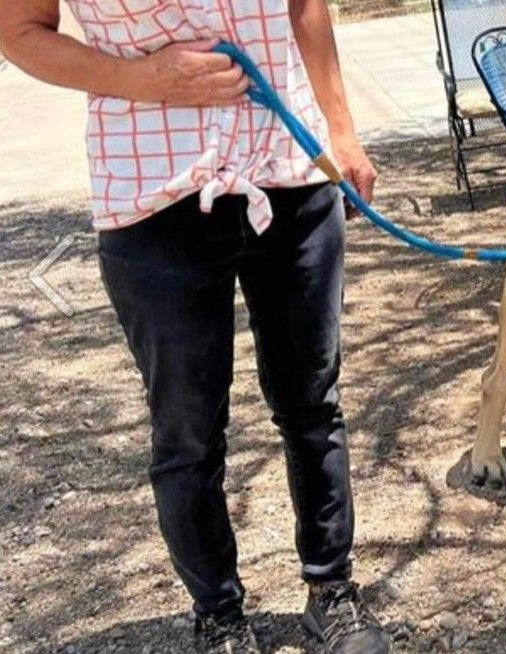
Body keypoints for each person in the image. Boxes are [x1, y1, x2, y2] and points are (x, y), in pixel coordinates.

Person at [0, 2, 390, 653]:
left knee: (312, 402)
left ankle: (332, 594)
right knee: (187, 431)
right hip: (155, 195)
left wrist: (341, 130)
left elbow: (303, 4)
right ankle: (220, 618)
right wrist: (142, 79)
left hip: (291, 168)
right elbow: (18, 31)